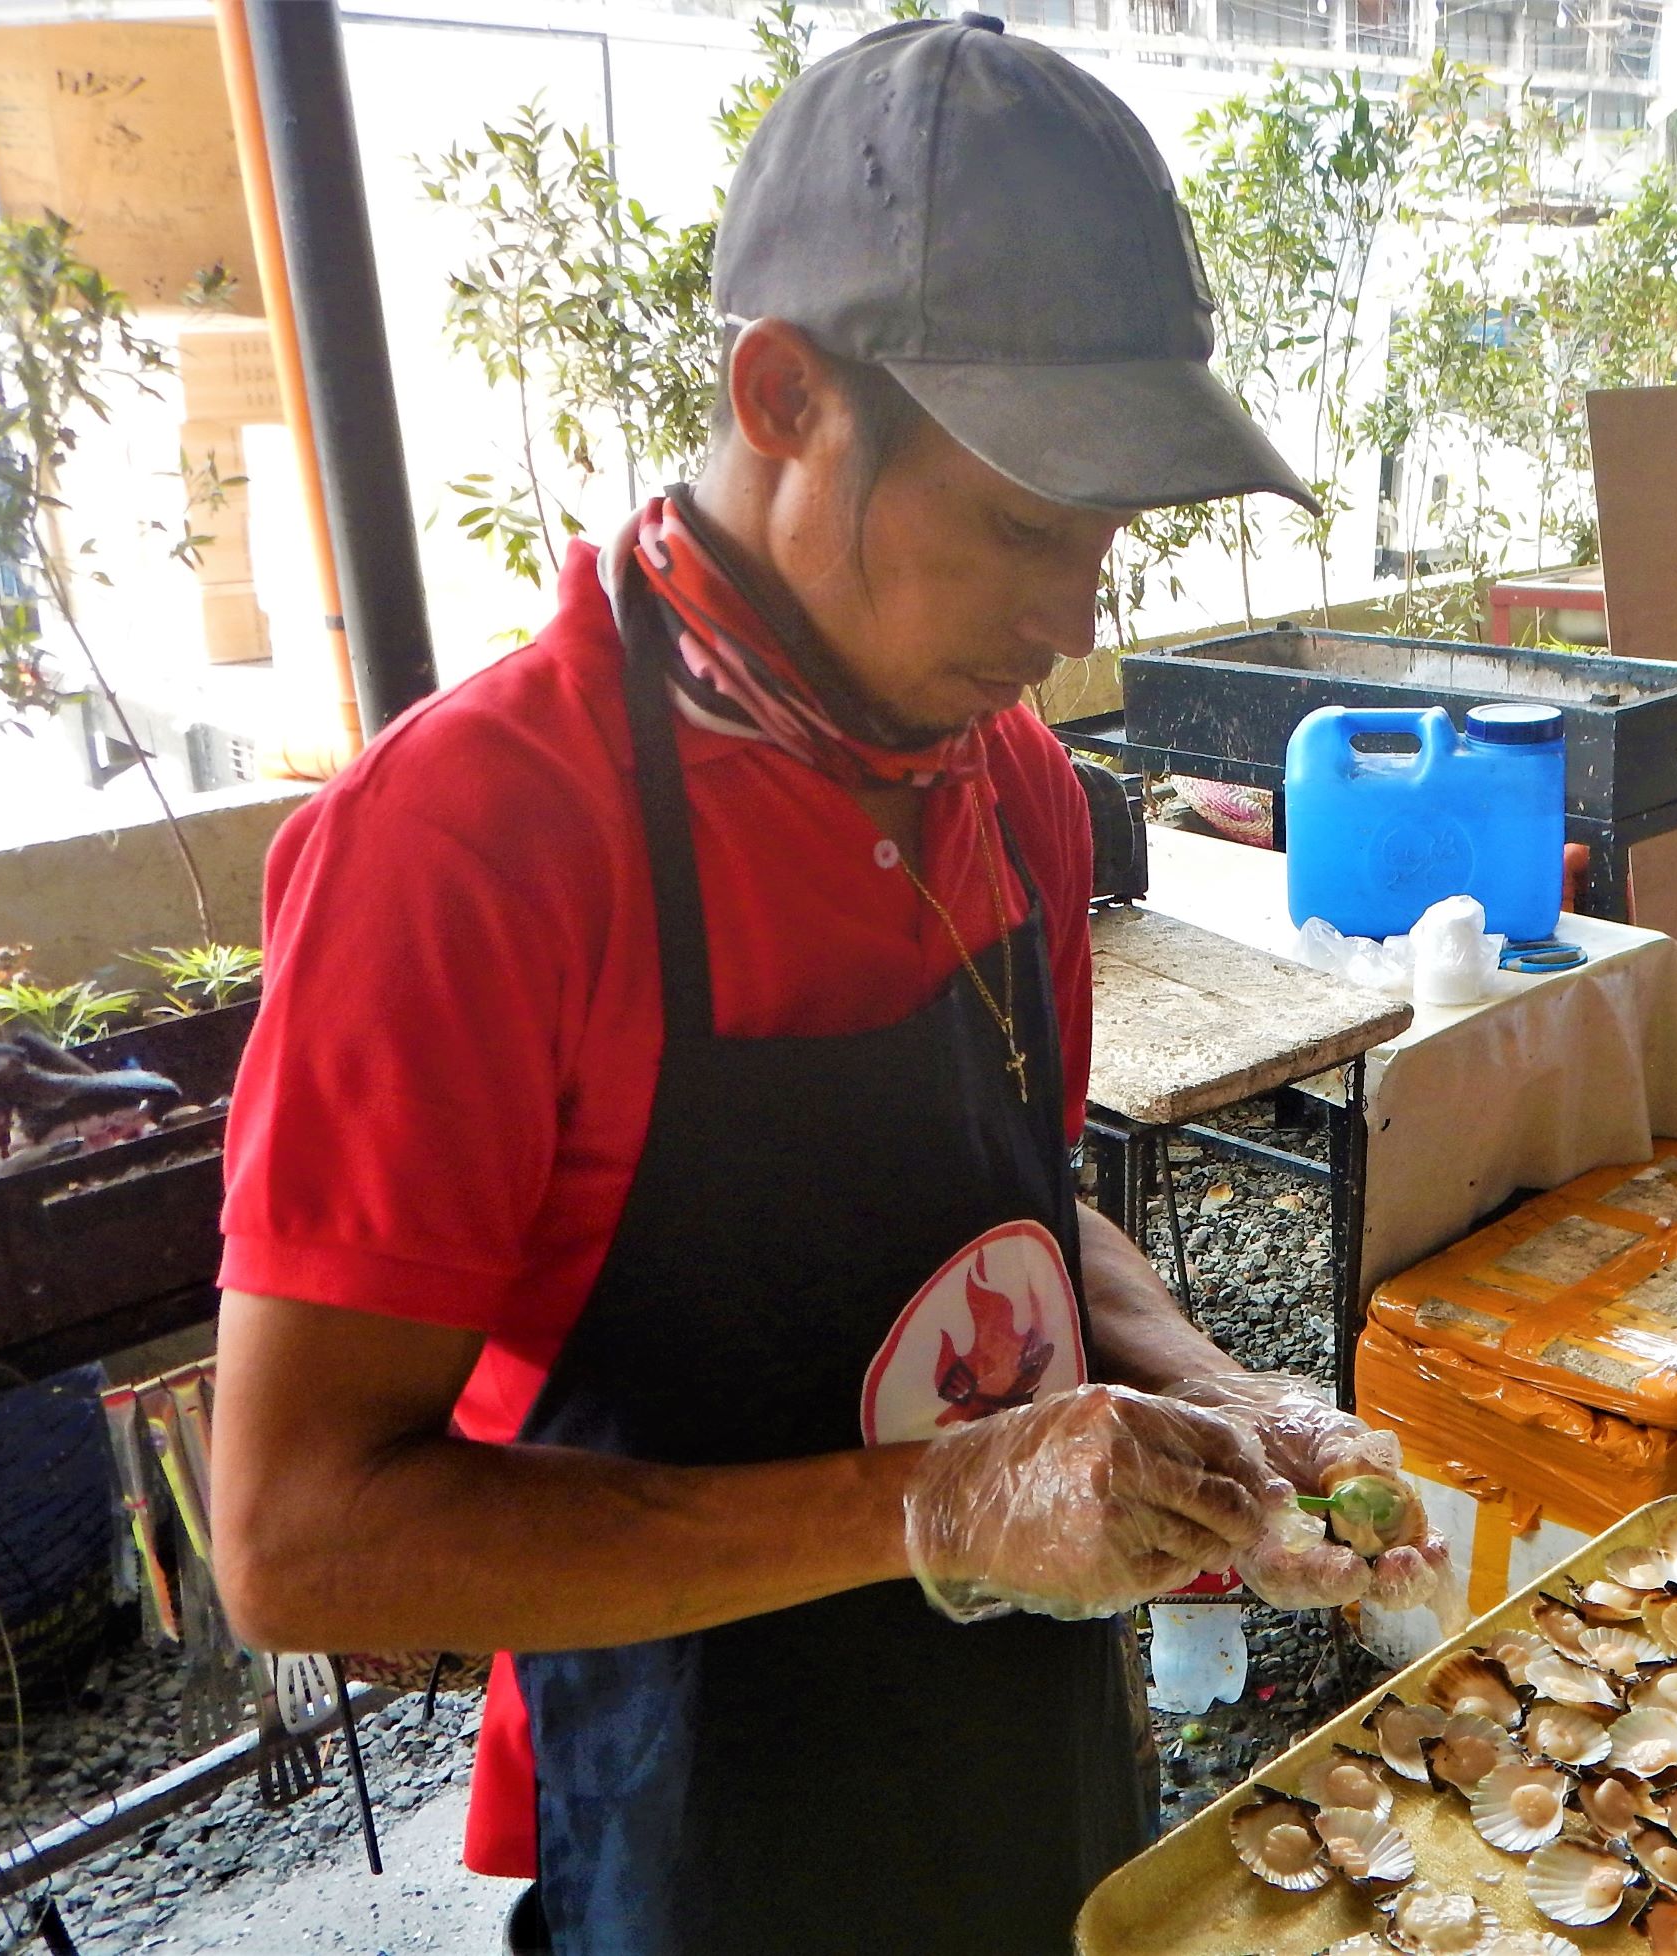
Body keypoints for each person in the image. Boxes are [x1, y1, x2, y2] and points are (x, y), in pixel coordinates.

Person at [210, 16, 1447, 1953]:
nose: (1069, 627)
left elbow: (1020, 1221)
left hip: (1038, 1737)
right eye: (1025, 528)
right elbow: (294, 1540)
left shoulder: (1013, 782)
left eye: (1108, 541)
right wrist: (934, 1514)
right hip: (713, 1820)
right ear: (780, 396)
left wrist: (1221, 1395)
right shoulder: (467, 849)